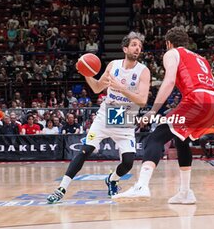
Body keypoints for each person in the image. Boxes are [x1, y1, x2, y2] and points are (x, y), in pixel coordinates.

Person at [113, 27, 214, 204]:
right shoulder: (202, 60)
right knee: (181, 138)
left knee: (155, 138)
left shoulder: (172, 53)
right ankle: (185, 192)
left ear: (169, 43)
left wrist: (153, 111)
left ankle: (141, 186)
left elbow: (169, 81)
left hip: (197, 99)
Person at [47, 31, 151, 203]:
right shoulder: (113, 66)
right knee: (85, 149)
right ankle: (61, 188)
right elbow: (96, 88)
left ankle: (112, 179)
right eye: (134, 45)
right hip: (106, 114)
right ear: (125, 48)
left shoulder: (143, 71)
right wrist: (85, 72)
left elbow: (141, 100)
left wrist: (121, 88)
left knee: (128, 163)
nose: (137, 48)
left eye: (139, 46)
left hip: (125, 119)